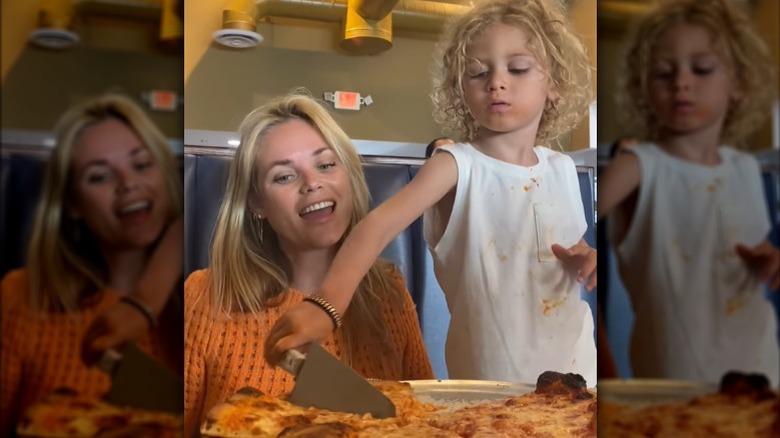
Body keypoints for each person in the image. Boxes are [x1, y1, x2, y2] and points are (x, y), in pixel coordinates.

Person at [266, 0, 597, 385]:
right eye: (477, 73)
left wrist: (584, 258)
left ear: (554, 83)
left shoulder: (563, 169)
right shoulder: (455, 165)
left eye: (518, 68)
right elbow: (375, 227)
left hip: (578, 377)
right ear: (460, 89)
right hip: (494, 390)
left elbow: (568, 249)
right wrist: (325, 306)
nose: (496, 82)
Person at [183, 90, 434, 436]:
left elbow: (426, 420)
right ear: (257, 202)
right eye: (284, 176)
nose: (312, 183)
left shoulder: (388, 292)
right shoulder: (201, 296)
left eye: (326, 165)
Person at [597, 0, 779, 385]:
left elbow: (753, 252)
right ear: (644, 87)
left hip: (761, 369)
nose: (681, 81)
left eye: (701, 69)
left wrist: (767, 261)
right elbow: (572, 229)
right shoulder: (636, 167)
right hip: (672, 380)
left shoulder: (745, 169)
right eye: (664, 73)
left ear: (739, 85)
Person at [0, 93, 184, 434]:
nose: (128, 184)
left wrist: (147, 298)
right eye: (100, 177)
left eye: (142, 165)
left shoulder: (196, 299)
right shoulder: (19, 296)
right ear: (72, 203)